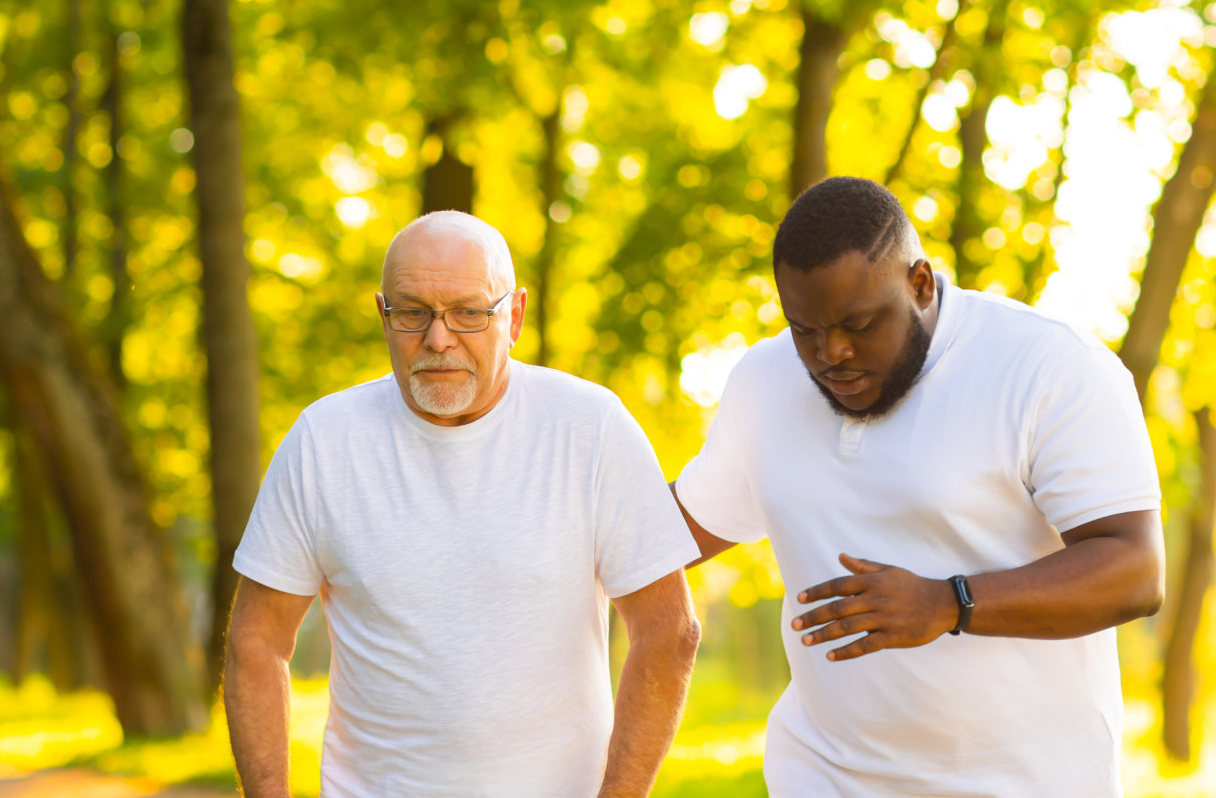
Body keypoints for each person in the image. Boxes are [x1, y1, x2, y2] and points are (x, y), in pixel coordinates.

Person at [673, 177, 1165, 796]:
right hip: (823, 776)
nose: (833, 353)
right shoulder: (764, 381)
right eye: (806, 329)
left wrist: (949, 603)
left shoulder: (1048, 367)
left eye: (859, 323)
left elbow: (1134, 570)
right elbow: (674, 532)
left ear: (921, 283)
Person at [222, 211, 701, 798]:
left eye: (469, 312)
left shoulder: (591, 428)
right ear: (383, 315)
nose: (438, 338)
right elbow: (257, 640)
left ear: (515, 316)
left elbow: (668, 632)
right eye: (413, 312)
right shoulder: (325, 440)